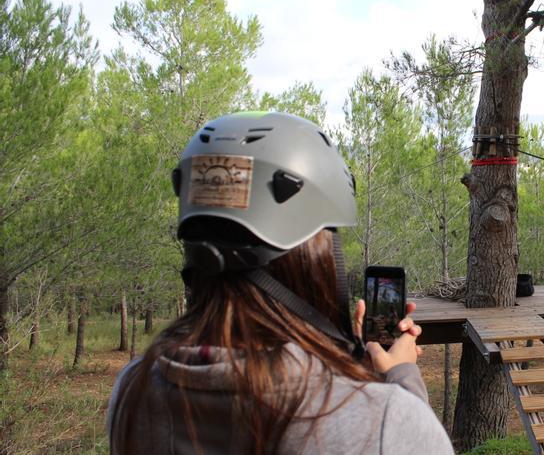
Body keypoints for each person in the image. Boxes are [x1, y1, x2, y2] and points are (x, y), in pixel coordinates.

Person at [106, 112, 454, 454]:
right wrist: (402, 378)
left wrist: (346, 363)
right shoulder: (387, 423)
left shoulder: (135, 388)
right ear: (311, 255)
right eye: (329, 237)